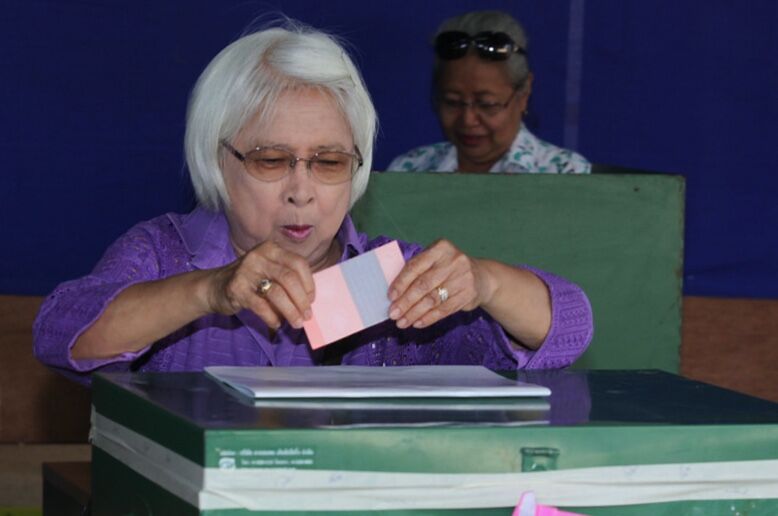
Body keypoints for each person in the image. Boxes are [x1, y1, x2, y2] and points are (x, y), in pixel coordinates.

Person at [33, 22, 593, 386]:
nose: (302, 191)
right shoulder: (164, 251)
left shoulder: (384, 277)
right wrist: (209, 289)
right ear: (216, 158)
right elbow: (62, 335)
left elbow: (567, 326)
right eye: (271, 160)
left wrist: (485, 282)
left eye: (328, 163)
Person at [387, 10, 590, 174]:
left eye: (487, 104)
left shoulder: (565, 174)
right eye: (452, 102)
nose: (468, 120)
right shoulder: (411, 169)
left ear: (524, 93)